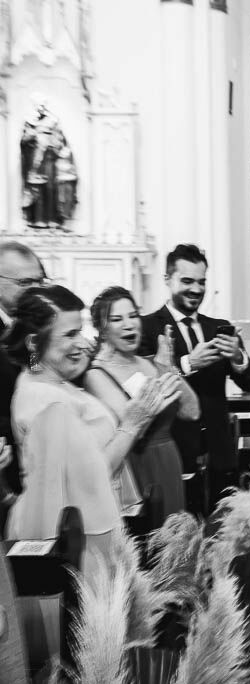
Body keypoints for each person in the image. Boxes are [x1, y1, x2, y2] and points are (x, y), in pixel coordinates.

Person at [5, 286, 176, 576]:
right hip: (74, 536)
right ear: (34, 343)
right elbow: (92, 472)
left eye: (80, 331)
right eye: (70, 334)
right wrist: (133, 422)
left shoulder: (50, 381)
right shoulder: (44, 401)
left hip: (88, 525)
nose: (82, 342)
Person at [140, 244, 250, 514]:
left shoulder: (216, 328)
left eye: (201, 282)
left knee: (221, 530)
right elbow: (141, 389)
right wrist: (186, 364)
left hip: (220, 449)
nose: (196, 289)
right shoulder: (147, 328)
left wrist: (238, 358)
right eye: (187, 281)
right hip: (174, 449)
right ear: (167, 280)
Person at [85, 286, 200, 520]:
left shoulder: (151, 363)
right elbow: (135, 430)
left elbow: (192, 411)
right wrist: (157, 393)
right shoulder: (96, 374)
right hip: (137, 468)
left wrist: (167, 367)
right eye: (116, 319)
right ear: (102, 329)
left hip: (170, 461)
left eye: (133, 316)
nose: (129, 324)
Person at [0, 241, 46, 499]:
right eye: (25, 283)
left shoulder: (37, 326)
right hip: (7, 463)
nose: (36, 290)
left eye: (40, 281)